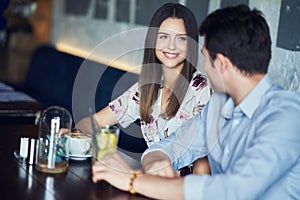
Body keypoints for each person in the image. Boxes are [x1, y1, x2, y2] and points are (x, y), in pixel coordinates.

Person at [91, 4, 300, 200]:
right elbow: (173, 144)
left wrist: (132, 180)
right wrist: (157, 160)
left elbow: (232, 190)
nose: (204, 69)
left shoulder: (287, 117)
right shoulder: (218, 105)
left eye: (206, 59)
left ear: (222, 64)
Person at [76, 3, 211, 174]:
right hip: (152, 184)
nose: (171, 46)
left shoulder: (201, 89)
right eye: (163, 37)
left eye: (181, 38)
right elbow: (92, 122)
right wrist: (75, 135)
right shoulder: (146, 89)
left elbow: (205, 163)